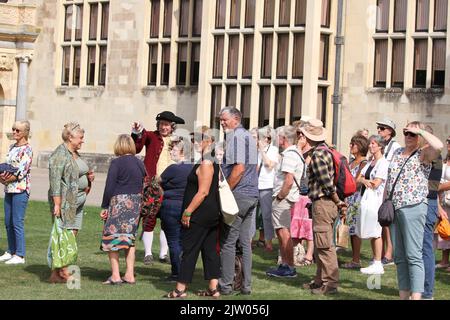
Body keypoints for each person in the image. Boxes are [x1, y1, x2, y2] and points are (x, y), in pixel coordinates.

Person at [386, 121, 443, 300]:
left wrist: (420, 131)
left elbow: (439, 146)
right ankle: (404, 296)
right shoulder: (396, 152)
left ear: (420, 137)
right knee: (400, 257)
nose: (408, 136)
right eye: (406, 132)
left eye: (413, 134)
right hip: (394, 207)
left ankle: (418, 296)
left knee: (414, 255)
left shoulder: (423, 154)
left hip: (414, 207)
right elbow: (390, 180)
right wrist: (385, 204)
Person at [166, 127, 221, 298]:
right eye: (194, 140)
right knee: (210, 250)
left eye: (199, 139)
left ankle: (180, 289)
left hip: (201, 213)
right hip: (210, 213)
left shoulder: (206, 162)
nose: (195, 143)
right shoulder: (207, 160)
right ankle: (213, 289)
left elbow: (203, 191)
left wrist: (188, 211)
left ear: (209, 141)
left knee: (189, 250)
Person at [300, 119, 348, 295]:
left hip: (324, 203)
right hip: (325, 203)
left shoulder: (318, 155)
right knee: (321, 244)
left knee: (325, 245)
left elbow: (326, 183)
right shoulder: (326, 151)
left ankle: (330, 283)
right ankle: (320, 280)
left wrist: (338, 201)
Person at [132, 111, 185, 265]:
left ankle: (163, 253)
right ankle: (148, 253)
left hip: (171, 185)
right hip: (152, 184)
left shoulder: (178, 140)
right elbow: (137, 147)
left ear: (172, 126)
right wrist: (137, 132)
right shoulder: (150, 136)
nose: (164, 127)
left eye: (167, 125)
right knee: (149, 217)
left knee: (168, 220)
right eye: (161, 124)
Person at [218, 107, 259, 296]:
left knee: (228, 242)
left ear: (236, 118)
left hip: (239, 195)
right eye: (220, 120)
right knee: (244, 243)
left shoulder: (236, 137)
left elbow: (239, 169)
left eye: (224, 119)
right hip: (251, 195)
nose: (222, 123)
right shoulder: (248, 137)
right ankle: (246, 286)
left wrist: (227, 191)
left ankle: (225, 285)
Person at [100, 134, 146, 285]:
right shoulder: (140, 163)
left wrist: (105, 206)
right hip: (135, 202)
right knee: (129, 238)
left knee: (112, 237)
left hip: (119, 202)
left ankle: (115, 275)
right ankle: (130, 274)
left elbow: (109, 186)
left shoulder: (116, 163)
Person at [48, 122, 89, 283]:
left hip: (77, 201)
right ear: (70, 137)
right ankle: (63, 271)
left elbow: (77, 171)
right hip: (65, 202)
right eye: (80, 138)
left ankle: (56, 274)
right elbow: (55, 182)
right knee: (64, 236)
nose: (82, 141)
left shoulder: (74, 152)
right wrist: (57, 204)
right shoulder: (59, 154)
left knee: (70, 236)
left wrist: (88, 179)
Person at [266, 126, 304, 278]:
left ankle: (289, 266)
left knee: (283, 233)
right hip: (285, 198)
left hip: (283, 198)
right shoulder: (292, 153)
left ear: (284, 139)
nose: (276, 139)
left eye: (278, 136)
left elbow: (288, 180)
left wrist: (280, 197)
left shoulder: (290, 154)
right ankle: (286, 265)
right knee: (282, 232)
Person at [159, 137, 194, 282]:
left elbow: (157, 181)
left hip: (171, 206)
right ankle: (185, 271)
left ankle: (177, 273)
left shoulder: (173, 169)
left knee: (173, 242)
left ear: (182, 152)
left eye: (174, 150)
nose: (171, 152)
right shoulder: (194, 168)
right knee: (183, 241)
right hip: (188, 208)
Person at [0, 121, 33, 265]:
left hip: (20, 189)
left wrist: (7, 179)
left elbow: (21, 171)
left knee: (17, 221)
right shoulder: (12, 147)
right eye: (13, 129)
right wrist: (2, 178)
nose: (14, 132)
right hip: (9, 189)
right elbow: (7, 166)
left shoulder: (27, 149)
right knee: (8, 222)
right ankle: (11, 250)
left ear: (25, 132)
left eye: (17, 130)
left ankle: (20, 254)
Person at [356, 135, 389, 275]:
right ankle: (375, 260)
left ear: (380, 146)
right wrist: (365, 181)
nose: (370, 146)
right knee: (371, 231)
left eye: (373, 144)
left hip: (376, 201)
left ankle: (377, 262)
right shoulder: (371, 162)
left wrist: (366, 181)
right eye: (370, 144)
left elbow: (376, 184)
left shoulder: (383, 163)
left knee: (376, 231)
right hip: (366, 199)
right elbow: (358, 178)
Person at [420, 127, 443, 299]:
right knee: (419, 248)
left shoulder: (432, 153)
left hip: (427, 203)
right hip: (429, 202)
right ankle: (419, 288)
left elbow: (432, 187)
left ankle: (427, 292)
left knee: (425, 248)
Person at [376, 118, 401, 266]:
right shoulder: (381, 145)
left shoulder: (395, 146)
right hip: (380, 186)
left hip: (388, 186)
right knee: (382, 220)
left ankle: (389, 253)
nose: (379, 130)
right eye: (379, 128)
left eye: (382, 128)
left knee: (387, 220)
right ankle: (384, 251)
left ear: (390, 131)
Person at [341, 134, 369, 270]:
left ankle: (356, 259)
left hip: (357, 199)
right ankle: (352, 257)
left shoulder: (364, 163)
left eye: (353, 144)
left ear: (360, 146)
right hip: (348, 198)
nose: (350, 146)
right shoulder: (351, 162)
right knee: (349, 228)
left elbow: (357, 182)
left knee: (355, 230)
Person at [290, 123, 316, 266]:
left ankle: (309, 255)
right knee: (295, 225)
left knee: (308, 227)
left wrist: (300, 150)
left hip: (307, 195)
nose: (300, 136)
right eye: (298, 133)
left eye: (303, 134)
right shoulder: (297, 151)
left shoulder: (311, 153)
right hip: (297, 194)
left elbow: (303, 171)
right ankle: (296, 252)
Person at [253, 126, 278, 252]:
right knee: (251, 214)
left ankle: (268, 241)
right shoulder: (255, 151)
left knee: (266, 215)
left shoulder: (273, 150)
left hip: (267, 186)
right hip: (254, 185)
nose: (259, 140)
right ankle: (250, 240)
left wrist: (262, 152)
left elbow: (269, 165)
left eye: (261, 138)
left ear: (268, 139)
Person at [435, 136, 450, 271]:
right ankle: (445, 260)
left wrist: (439, 187)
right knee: (444, 229)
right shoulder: (445, 161)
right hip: (444, 201)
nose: (448, 144)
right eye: (448, 141)